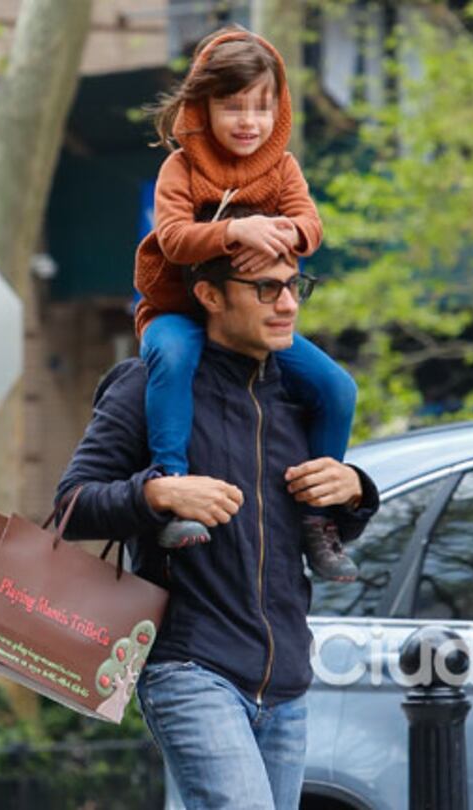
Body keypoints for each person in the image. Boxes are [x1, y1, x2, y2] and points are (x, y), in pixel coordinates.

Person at [56, 208, 381, 809]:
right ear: (208, 294)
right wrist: (154, 495)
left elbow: (318, 531)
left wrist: (353, 491)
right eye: (266, 288)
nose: (287, 304)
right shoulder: (145, 387)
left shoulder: (300, 398)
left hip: (285, 681)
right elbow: (71, 508)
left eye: (294, 286)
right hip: (190, 665)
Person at [136, 25, 359, 581]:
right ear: (202, 107)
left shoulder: (281, 168)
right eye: (232, 106)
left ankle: (317, 517)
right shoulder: (181, 169)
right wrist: (238, 233)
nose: (248, 122)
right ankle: (172, 485)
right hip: (179, 313)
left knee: (336, 387)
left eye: (262, 108)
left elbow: (310, 226)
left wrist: (280, 232)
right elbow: (174, 240)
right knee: (172, 358)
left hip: (249, 321)